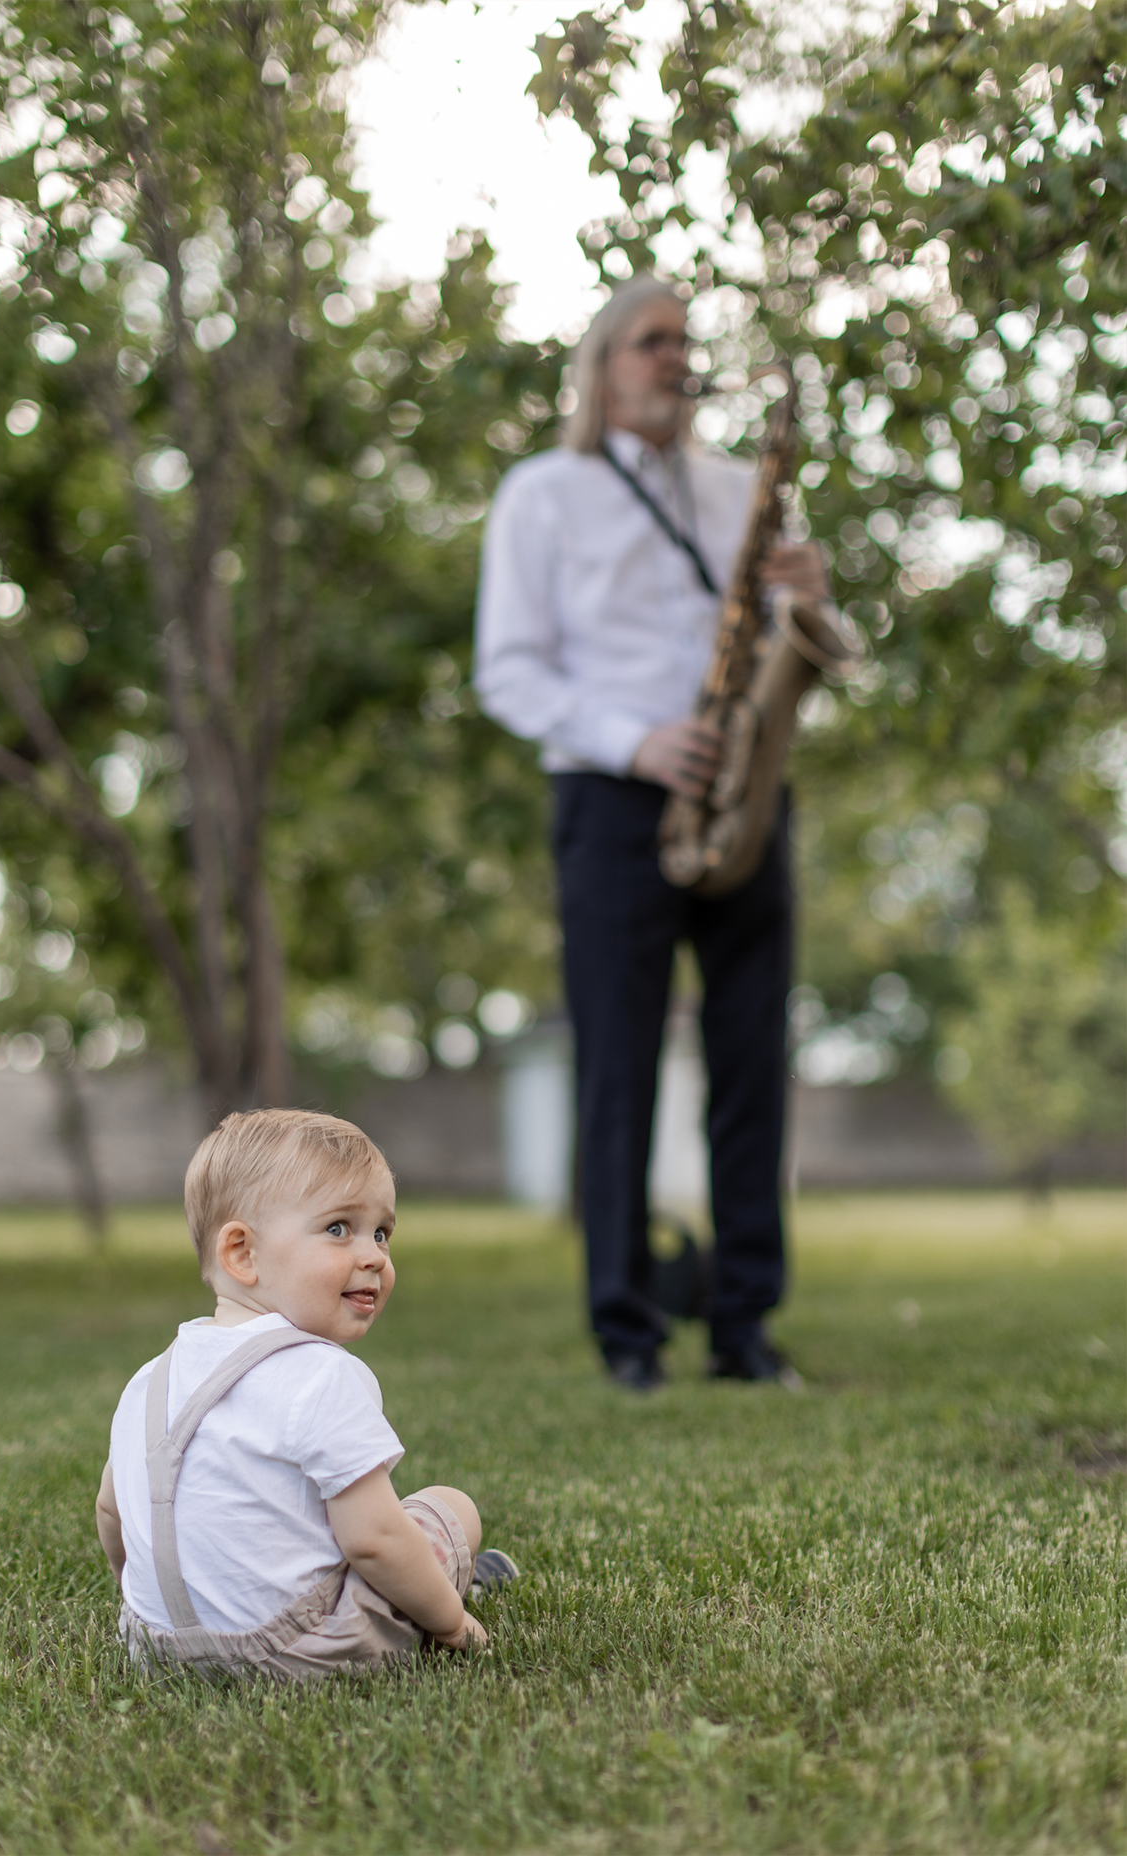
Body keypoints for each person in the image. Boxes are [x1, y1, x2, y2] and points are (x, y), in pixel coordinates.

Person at [475, 276, 829, 1391]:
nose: (675, 357)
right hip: (614, 797)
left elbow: (811, 641)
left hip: (746, 790)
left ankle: (744, 1324)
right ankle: (626, 1329)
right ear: (601, 365)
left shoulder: (739, 487)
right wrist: (635, 741)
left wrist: (816, 595)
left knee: (751, 1064)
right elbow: (507, 669)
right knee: (617, 1067)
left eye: (683, 340)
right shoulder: (543, 493)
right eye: (651, 340)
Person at [95, 1110, 518, 1681]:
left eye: (382, 1232)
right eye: (339, 1228)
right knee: (450, 1507)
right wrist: (452, 1625)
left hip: (158, 1651)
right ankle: (443, 1590)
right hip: (298, 1652)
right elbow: (374, 1540)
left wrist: (154, 1608)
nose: (374, 1256)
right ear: (242, 1253)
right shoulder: (319, 1373)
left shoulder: (148, 1381)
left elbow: (112, 1512)